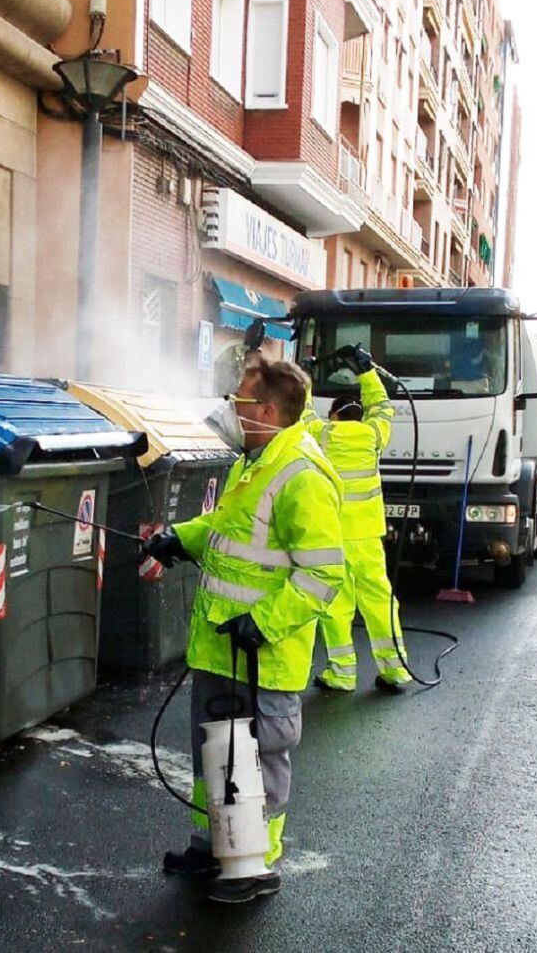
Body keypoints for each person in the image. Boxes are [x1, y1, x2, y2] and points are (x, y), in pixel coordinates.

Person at [142, 355, 344, 904]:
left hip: (261, 651)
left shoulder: (301, 475)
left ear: (267, 409)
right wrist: (179, 538)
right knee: (218, 749)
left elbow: (324, 571)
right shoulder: (256, 461)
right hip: (220, 644)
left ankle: (253, 866)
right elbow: (225, 529)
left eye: (239, 400)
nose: (231, 407)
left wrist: (264, 622)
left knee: (257, 757)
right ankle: (217, 844)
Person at [303, 344, 410, 692]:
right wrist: (366, 371)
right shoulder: (373, 436)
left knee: (335, 604)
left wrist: (304, 377)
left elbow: (301, 414)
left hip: (331, 538)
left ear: (333, 415)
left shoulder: (322, 436)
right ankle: (395, 671)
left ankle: (342, 673)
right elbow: (383, 407)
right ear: (358, 417)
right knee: (379, 601)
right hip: (366, 537)